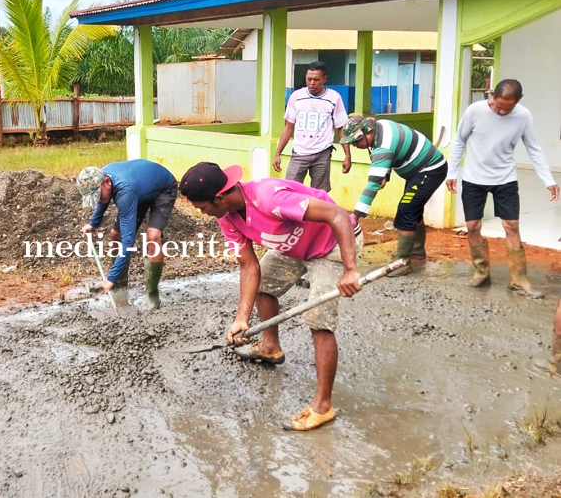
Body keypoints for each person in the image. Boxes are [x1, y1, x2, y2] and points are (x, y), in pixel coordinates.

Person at [179, 162, 362, 431]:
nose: (203, 213)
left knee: (318, 319)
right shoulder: (227, 217)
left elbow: (337, 215)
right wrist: (241, 319)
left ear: (220, 197)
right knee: (264, 286)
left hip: (332, 244)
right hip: (296, 246)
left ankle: (323, 407)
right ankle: (270, 347)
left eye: (203, 208)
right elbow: (249, 266)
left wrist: (350, 270)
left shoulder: (269, 197)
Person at [446, 79, 559, 298]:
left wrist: (549, 180)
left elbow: (534, 149)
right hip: (473, 178)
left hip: (505, 178)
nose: (500, 111)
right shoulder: (474, 111)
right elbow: (460, 140)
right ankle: (481, 271)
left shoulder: (524, 116)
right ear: (491, 95)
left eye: (507, 108)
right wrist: (453, 172)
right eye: (497, 106)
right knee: (472, 225)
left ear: (519, 101)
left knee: (512, 226)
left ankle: (519, 280)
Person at [339, 115, 446, 276]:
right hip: (419, 171)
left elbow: (373, 184)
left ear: (367, 133)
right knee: (412, 209)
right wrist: (386, 175)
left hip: (429, 171)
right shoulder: (380, 128)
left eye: (356, 141)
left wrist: (356, 216)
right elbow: (392, 155)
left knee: (406, 211)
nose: (354, 146)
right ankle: (416, 252)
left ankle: (402, 262)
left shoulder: (384, 146)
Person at [76, 159, 178, 310]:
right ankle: (120, 284)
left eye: (97, 194)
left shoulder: (124, 193)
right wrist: (93, 223)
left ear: (106, 182)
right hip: (141, 189)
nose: (97, 199)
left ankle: (152, 295)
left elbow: (128, 242)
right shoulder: (100, 177)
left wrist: (110, 277)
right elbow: (102, 200)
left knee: (152, 237)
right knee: (115, 234)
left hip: (163, 189)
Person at [273, 61, 352, 191]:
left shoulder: (334, 98)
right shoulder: (296, 97)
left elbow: (341, 128)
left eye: (316, 79)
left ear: (324, 79)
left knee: (320, 194)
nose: (312, 83)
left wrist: (347, 156)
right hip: (299, 152)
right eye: (309, 79)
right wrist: (278, 153)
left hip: (323, 152)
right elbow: (288, 127)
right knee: (289, 190)